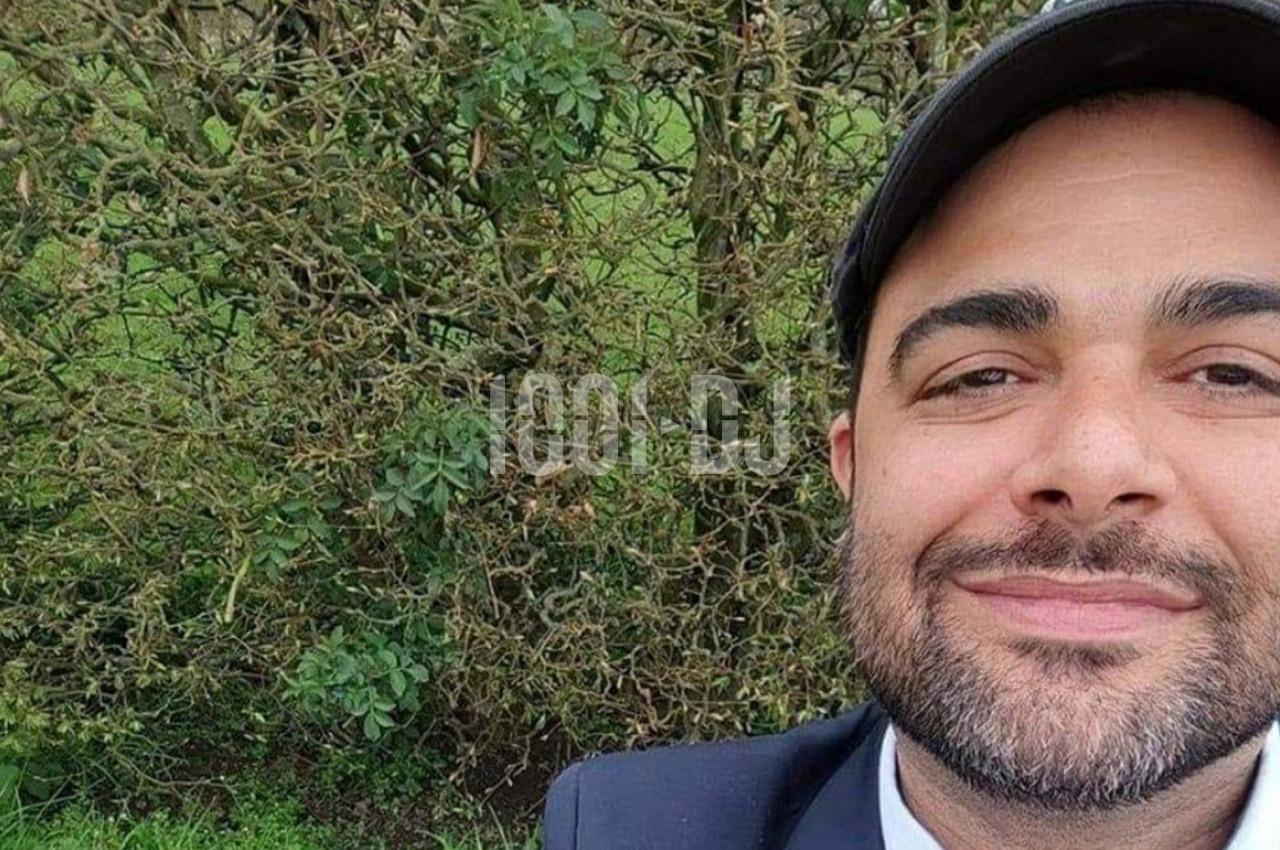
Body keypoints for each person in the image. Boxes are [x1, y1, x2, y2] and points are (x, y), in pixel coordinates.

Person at [541, 0, 1280, 847]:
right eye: (981, 376)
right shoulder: (621, 830)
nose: (1091, 463)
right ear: (851, 463)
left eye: (1233, 374)